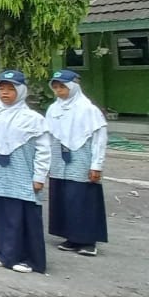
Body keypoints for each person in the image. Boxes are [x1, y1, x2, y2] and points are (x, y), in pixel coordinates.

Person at [0, 69, 51, 273]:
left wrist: (39, 176)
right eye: (1, 88)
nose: (5, 93)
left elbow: (43, 150)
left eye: (11, 89)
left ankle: (27, 258)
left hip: (21, 175)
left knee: (21, 214)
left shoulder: (32, 118)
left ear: (21, 91)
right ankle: (2, 253)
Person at [45, 69, 108, 258]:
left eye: (62, 87)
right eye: (55, 87)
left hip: (81, 159)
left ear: (73, 87)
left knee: (82, 198)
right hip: (59, 159)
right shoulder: (53, 109)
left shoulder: (88, 109)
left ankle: (88, 241)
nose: (59, 91)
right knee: (63, 198)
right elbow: (47, 136)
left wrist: (96, 165)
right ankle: (70, 237)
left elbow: (99, 138)